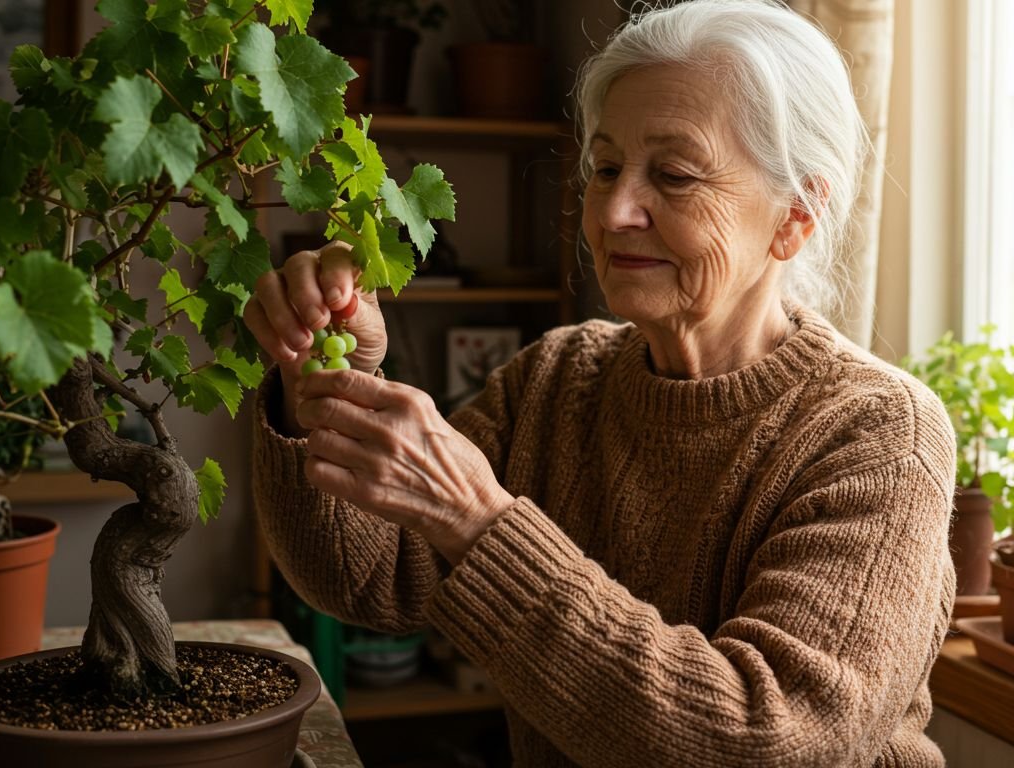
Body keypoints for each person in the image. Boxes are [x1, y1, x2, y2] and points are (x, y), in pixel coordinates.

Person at [244, 1, 957, 765]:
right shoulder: (557, 378)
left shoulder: (880, 434)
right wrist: (323, 383)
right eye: (607, 167)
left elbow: (766, 739)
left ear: (796, 214)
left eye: (675, 175)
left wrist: (482, 523)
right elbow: (366, 580)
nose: (615, 211)